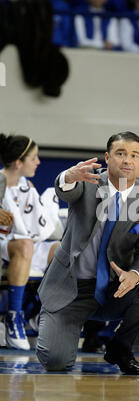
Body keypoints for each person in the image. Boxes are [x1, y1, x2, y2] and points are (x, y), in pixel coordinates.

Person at [36, 131, 139, 375]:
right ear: (108, 158)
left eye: (134, 155)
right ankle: (58, 321)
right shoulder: (87, 182)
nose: (127, 160)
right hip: (72, 289)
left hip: (115, 289)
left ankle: (121, 347)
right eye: (120, 154)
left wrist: (135, 276)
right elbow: (66, 190)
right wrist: (67, 176)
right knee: (55, 361)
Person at [0, 134, 60, 351]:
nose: (38, 162)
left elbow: (38, 225)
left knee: (64, 250)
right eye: (34, 158)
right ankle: (13, 318)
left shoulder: (27, 186)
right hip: (5, 244)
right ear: (18, 163)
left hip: (26, 244)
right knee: (25, 244)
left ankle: (38, 315)